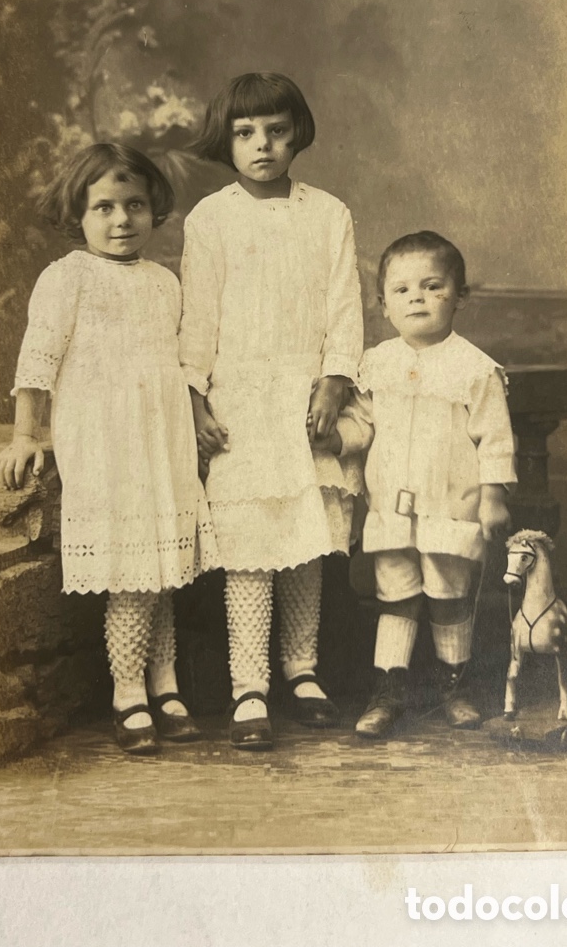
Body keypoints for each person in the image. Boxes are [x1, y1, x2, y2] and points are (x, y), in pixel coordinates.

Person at [0, 143, 218, 756]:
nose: (122, 220)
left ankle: (166, 684)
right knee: (131, 574)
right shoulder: (66, 277)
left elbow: (182, 361)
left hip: (160, 440)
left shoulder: (165, 281)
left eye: (135, 205)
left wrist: (195, 424)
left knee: (162, 568)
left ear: (154, 210)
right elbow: (36, 363)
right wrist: (23, 436)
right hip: (105, 443)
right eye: (105, 208)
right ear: (78, 214)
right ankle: (128, 691)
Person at [179, 73, 363, 750]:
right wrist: (196, 398)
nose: (263, 145)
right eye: (247, 132)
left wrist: (334, 382)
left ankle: (301, 670)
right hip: (240, 399)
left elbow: (345, 305)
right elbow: (197, 316)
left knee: (305, 542)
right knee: (251, 548)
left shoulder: (328, 214)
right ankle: (249, 684)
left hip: (305, 395)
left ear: (298, 134)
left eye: (277, 131)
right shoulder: (211, 218)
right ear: (227, 139)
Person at [323, 231, 516, 737]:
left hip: (451, 507)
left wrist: (494, 497)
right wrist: (334, 440)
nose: (418, 298)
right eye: (403, 290)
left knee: (448, 595)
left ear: (459, 296)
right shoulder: (376, 363)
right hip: (391, 509)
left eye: (433, 287)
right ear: (384, 304)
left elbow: (495, 438)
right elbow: (362, 423)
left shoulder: (474, 369)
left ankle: (456, 685)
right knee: (397, 596)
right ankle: (389, 691)